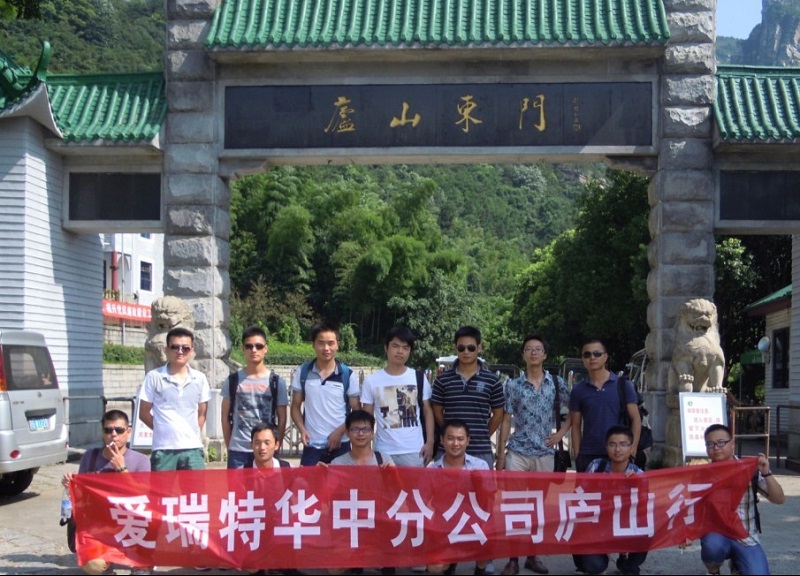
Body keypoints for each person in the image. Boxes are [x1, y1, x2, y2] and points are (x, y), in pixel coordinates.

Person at [497, 335, 570, 576]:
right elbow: (506, 419)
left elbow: (573, 412)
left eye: (538, 349)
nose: (533, 353)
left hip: (545, 453)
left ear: (545, 355)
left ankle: (532, 555)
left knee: (537, 507)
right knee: (515, 506)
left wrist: (560, 434)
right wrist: (501, 453)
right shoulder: (513, 385)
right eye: (528, 349)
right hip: (518, 452)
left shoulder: (557, 383)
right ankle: (513, 559)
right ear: (523, 355)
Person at [62, 410, 151, 575]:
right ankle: (107, 563)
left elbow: (144, 497)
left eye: (119, 430)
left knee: (152, 525)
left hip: (130, 524)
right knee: (93, 565)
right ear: (102, 432)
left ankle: (141, 564)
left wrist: (122, 470)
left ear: (128, 432)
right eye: (108, 430)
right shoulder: (90, 457)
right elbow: (82, 498)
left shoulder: (141, 460)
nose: (114, 435)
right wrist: (71, 486)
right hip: (100, 527)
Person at [691, 424, 785, 575]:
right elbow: (691, 509)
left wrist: (766, 473)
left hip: (746, 538)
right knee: (712, 546)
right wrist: (686, 533)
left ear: (732, 444)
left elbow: (779, 499)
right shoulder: (702, 476)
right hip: (717, 534)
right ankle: (713, 570)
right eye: (710, 444)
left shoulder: (749, 470)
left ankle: (737, 564)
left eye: (721, 442)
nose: (716, 448)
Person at [574, 426, 647, 575]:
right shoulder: (596, 468)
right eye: (612, 444)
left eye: (623, 444)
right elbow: (578, 498)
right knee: (593, 566)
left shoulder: (638, 475)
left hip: (625, 527)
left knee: (647, 534)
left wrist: (636, 485)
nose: (617, 449)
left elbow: (646, 509)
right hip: (597, 527)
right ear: (606, 447)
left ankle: (627, 563)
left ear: (631, 448)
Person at [431, 326, 504, 470]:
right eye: (461, 348)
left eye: (471, 348)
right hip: (448, 450)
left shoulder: (492, 381)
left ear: (479, 348)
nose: (466, 352)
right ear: (455, 348)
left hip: (480, 449)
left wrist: (482, 434)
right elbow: (437, 411)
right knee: (443, 485)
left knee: (482, 486)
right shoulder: (442, 380)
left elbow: (498, 414)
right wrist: (451, 434)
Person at [138, 326, 210, 471]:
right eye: (175, 347)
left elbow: (202, 413)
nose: (180, 351)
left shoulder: (200, 378)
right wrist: (162, 428)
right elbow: (143, 413)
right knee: (162, 487)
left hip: (193, 448)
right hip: (163, 449)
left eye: (185, 348)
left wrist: (190, 432)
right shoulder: (154, 377)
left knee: (195, 487)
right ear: (166, 349)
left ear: (192, 350)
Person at [361, 326, 434, 467]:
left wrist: (430, 443)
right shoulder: (371, 381)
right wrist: (366, 448)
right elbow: (367, 417)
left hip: (414, 450)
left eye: (405, 348)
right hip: (383, 451)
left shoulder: (419, 377)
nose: (400, 351)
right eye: (395, 346)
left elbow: (427, 411)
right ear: (386, 348)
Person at [290, 322, 361, 466]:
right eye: (321, 343)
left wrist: (339, 432)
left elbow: (356, 410)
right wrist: (302, 430)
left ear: (337, 345)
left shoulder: (347, 375)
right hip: (312, 445)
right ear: (313, 345)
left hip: (341, 444)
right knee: (309, 481)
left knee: (341, 481)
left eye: (330, 343)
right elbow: (295, 406)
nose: (326, 348)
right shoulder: (303, 372)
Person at [427, 419, 491, 576]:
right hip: (444, 525)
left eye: (460, 439)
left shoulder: (480, 465)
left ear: (468, 441)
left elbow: (490, 497)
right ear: (442, 440)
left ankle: (480, 570)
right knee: (434, 568)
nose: (455, 443)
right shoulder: (433, 470)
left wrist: (480, 484)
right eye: (450, 438)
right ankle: (449, 564)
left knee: (489, 537)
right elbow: (421, 500)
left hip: (473, 523)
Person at [569, 338, 641, 472]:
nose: (592, 358)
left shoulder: (623, 385)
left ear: (605, 357)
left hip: (619, 452)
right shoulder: (578, 390)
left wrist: (633, 449)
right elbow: (576, 425)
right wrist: (578, 454)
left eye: (597, 354)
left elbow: (636, 419)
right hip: (589, 453)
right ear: (583, 359)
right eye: (587, 354)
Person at [222, 326, 288, 468]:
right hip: (238, 450)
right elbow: (225, 417)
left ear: (265, 348)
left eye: (258, 346)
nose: (254, 350)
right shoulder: (232, 380)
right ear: (243, 349)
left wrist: (275, 446)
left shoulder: (276, 382)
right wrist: (230, 446)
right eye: (249, 346)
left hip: (266, 449)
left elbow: (282, 418)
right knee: (237, 484)